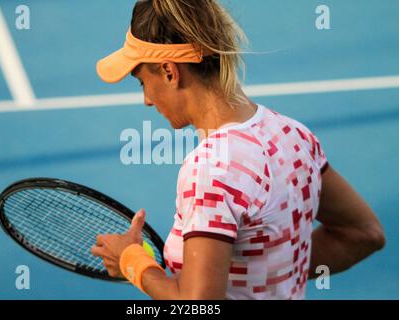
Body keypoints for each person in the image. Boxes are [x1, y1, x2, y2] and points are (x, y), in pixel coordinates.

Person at [91, 0, 385, 300]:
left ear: (169, 71)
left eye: (142, 82)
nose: (147, 101)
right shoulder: (295, 136)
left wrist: (132, 261)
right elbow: (363, 234)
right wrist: (268, 270)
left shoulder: (210, 169)